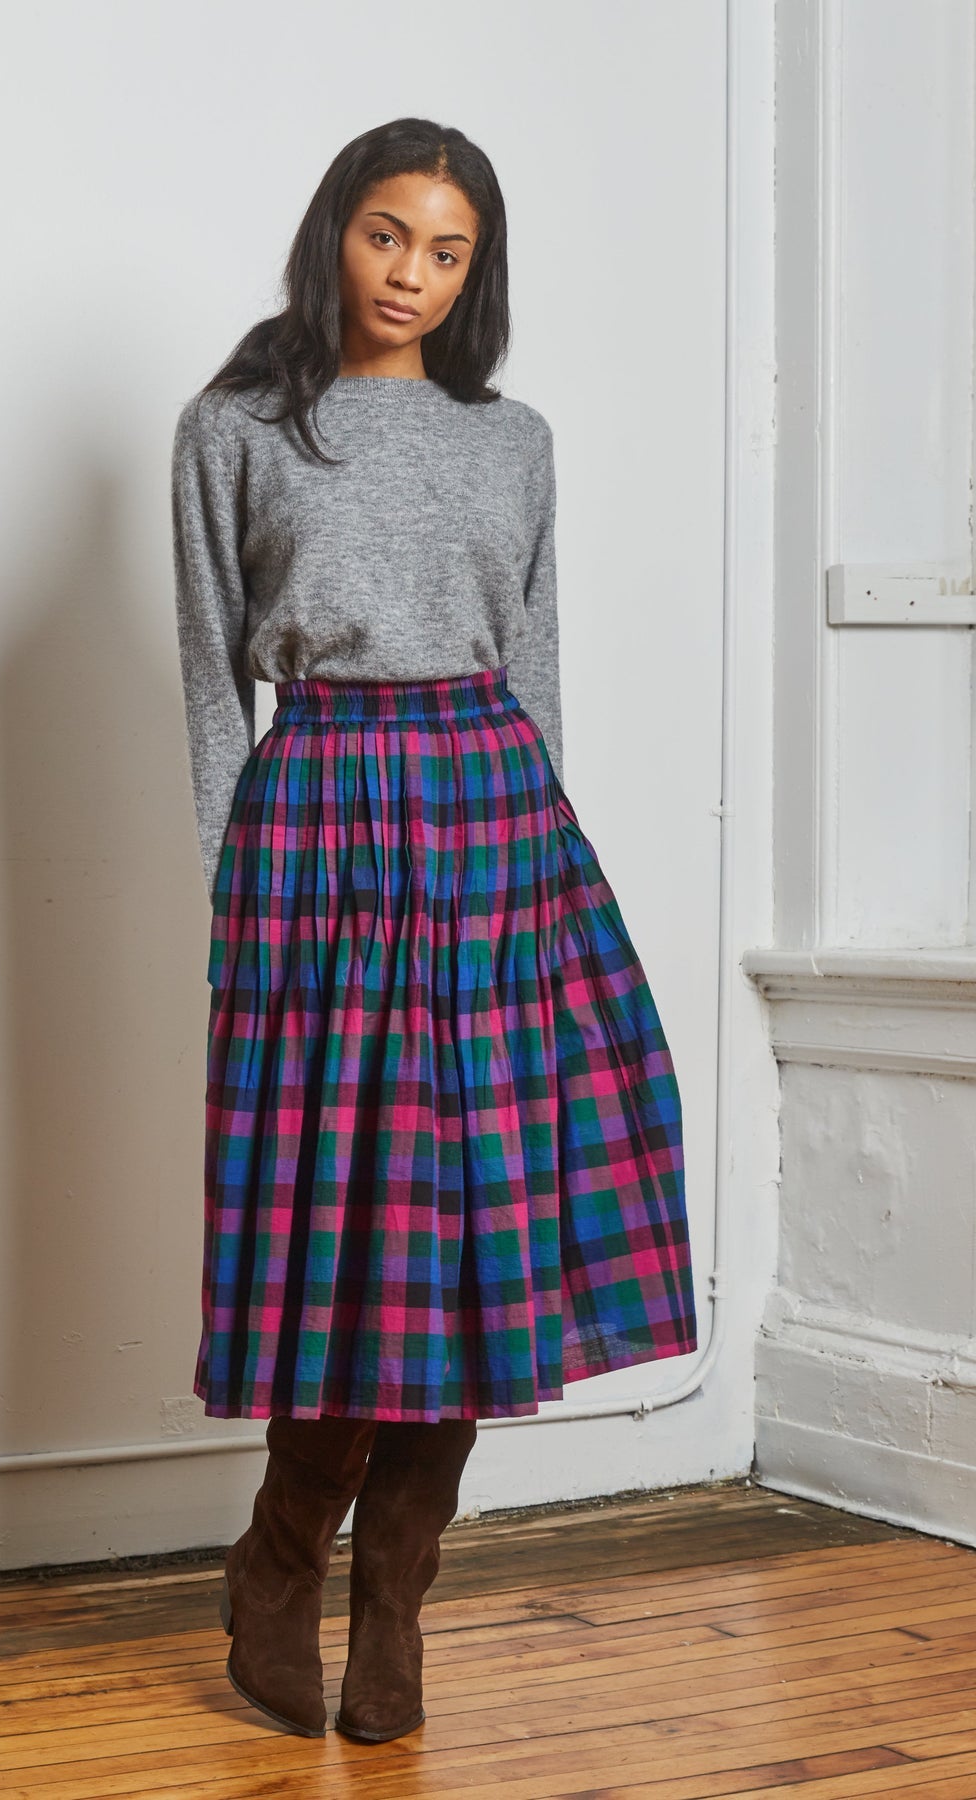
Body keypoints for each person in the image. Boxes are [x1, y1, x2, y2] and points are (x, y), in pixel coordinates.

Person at [170, 116, 698, 1746]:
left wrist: (544, 868)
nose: (412, 273)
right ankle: (280, 1561)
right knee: (355, 1236)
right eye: (387, 234)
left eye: (448, 251)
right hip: (322, 821)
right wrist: (232, 883)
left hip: (493, 826)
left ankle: (396, 1593)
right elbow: (211, 673)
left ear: (479, 272)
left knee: (473, 1235)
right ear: (336, 231)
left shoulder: (512, 438)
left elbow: (536, 662)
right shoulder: (236, 426)